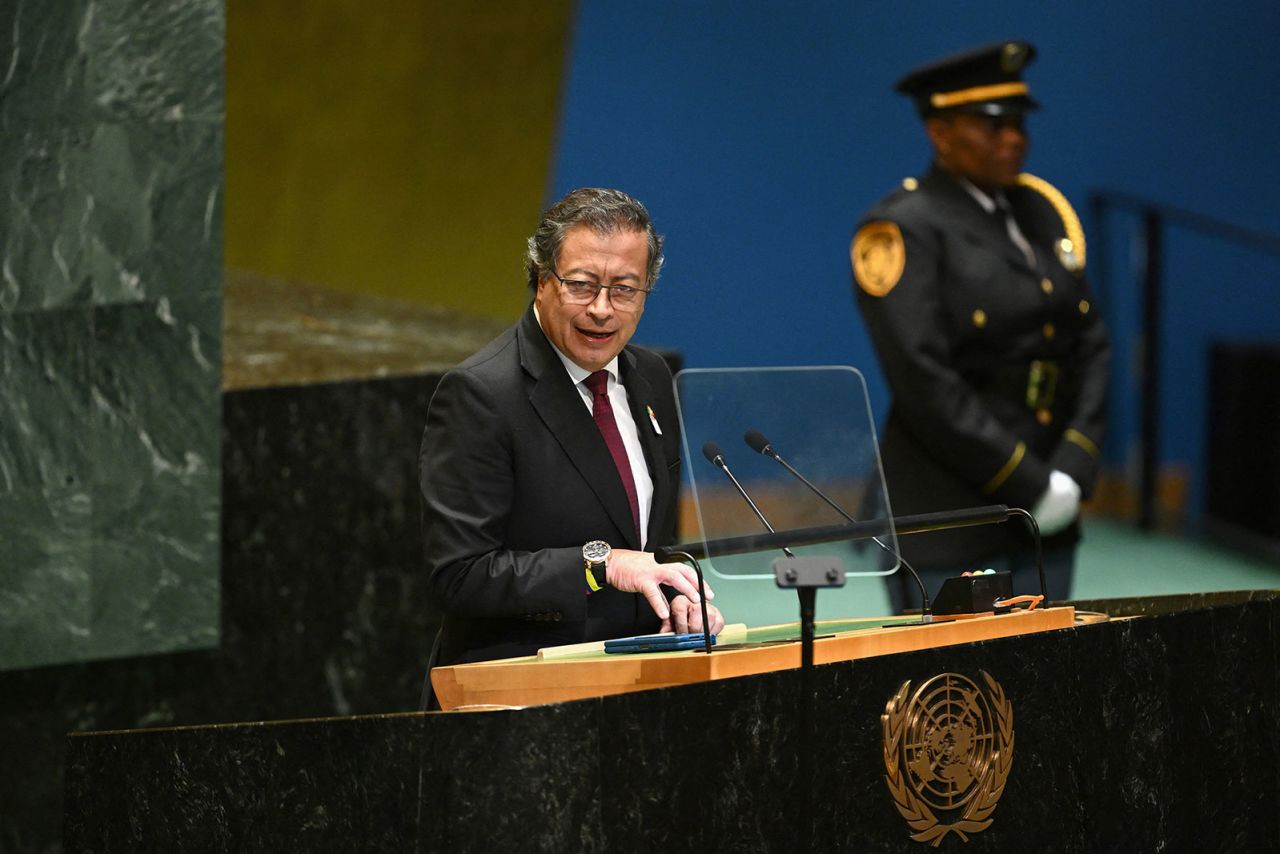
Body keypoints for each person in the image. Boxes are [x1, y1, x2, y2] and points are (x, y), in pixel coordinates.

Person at [849, 41, 1110, 611]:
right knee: (949, 692)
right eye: (992, 126)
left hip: (1050, 506)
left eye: (1018, 124)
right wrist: (1029, 484)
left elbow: (1089, 340)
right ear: (939, 133)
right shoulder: (902, 228)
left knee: (1046, 675)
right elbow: (923, 379)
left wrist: (1072, 465)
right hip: (953, 509)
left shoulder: (1039, 212)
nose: (1014, 139)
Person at [420, 187, 725, 667]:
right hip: (520, 690)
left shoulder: (651, 377)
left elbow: (653, 540)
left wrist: (678, 591)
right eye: (581, 285)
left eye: (625, 289)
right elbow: (460, 575)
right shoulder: (482, 394)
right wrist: (599, 565)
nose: (602, 309)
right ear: (541, 280)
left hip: (638, 678)